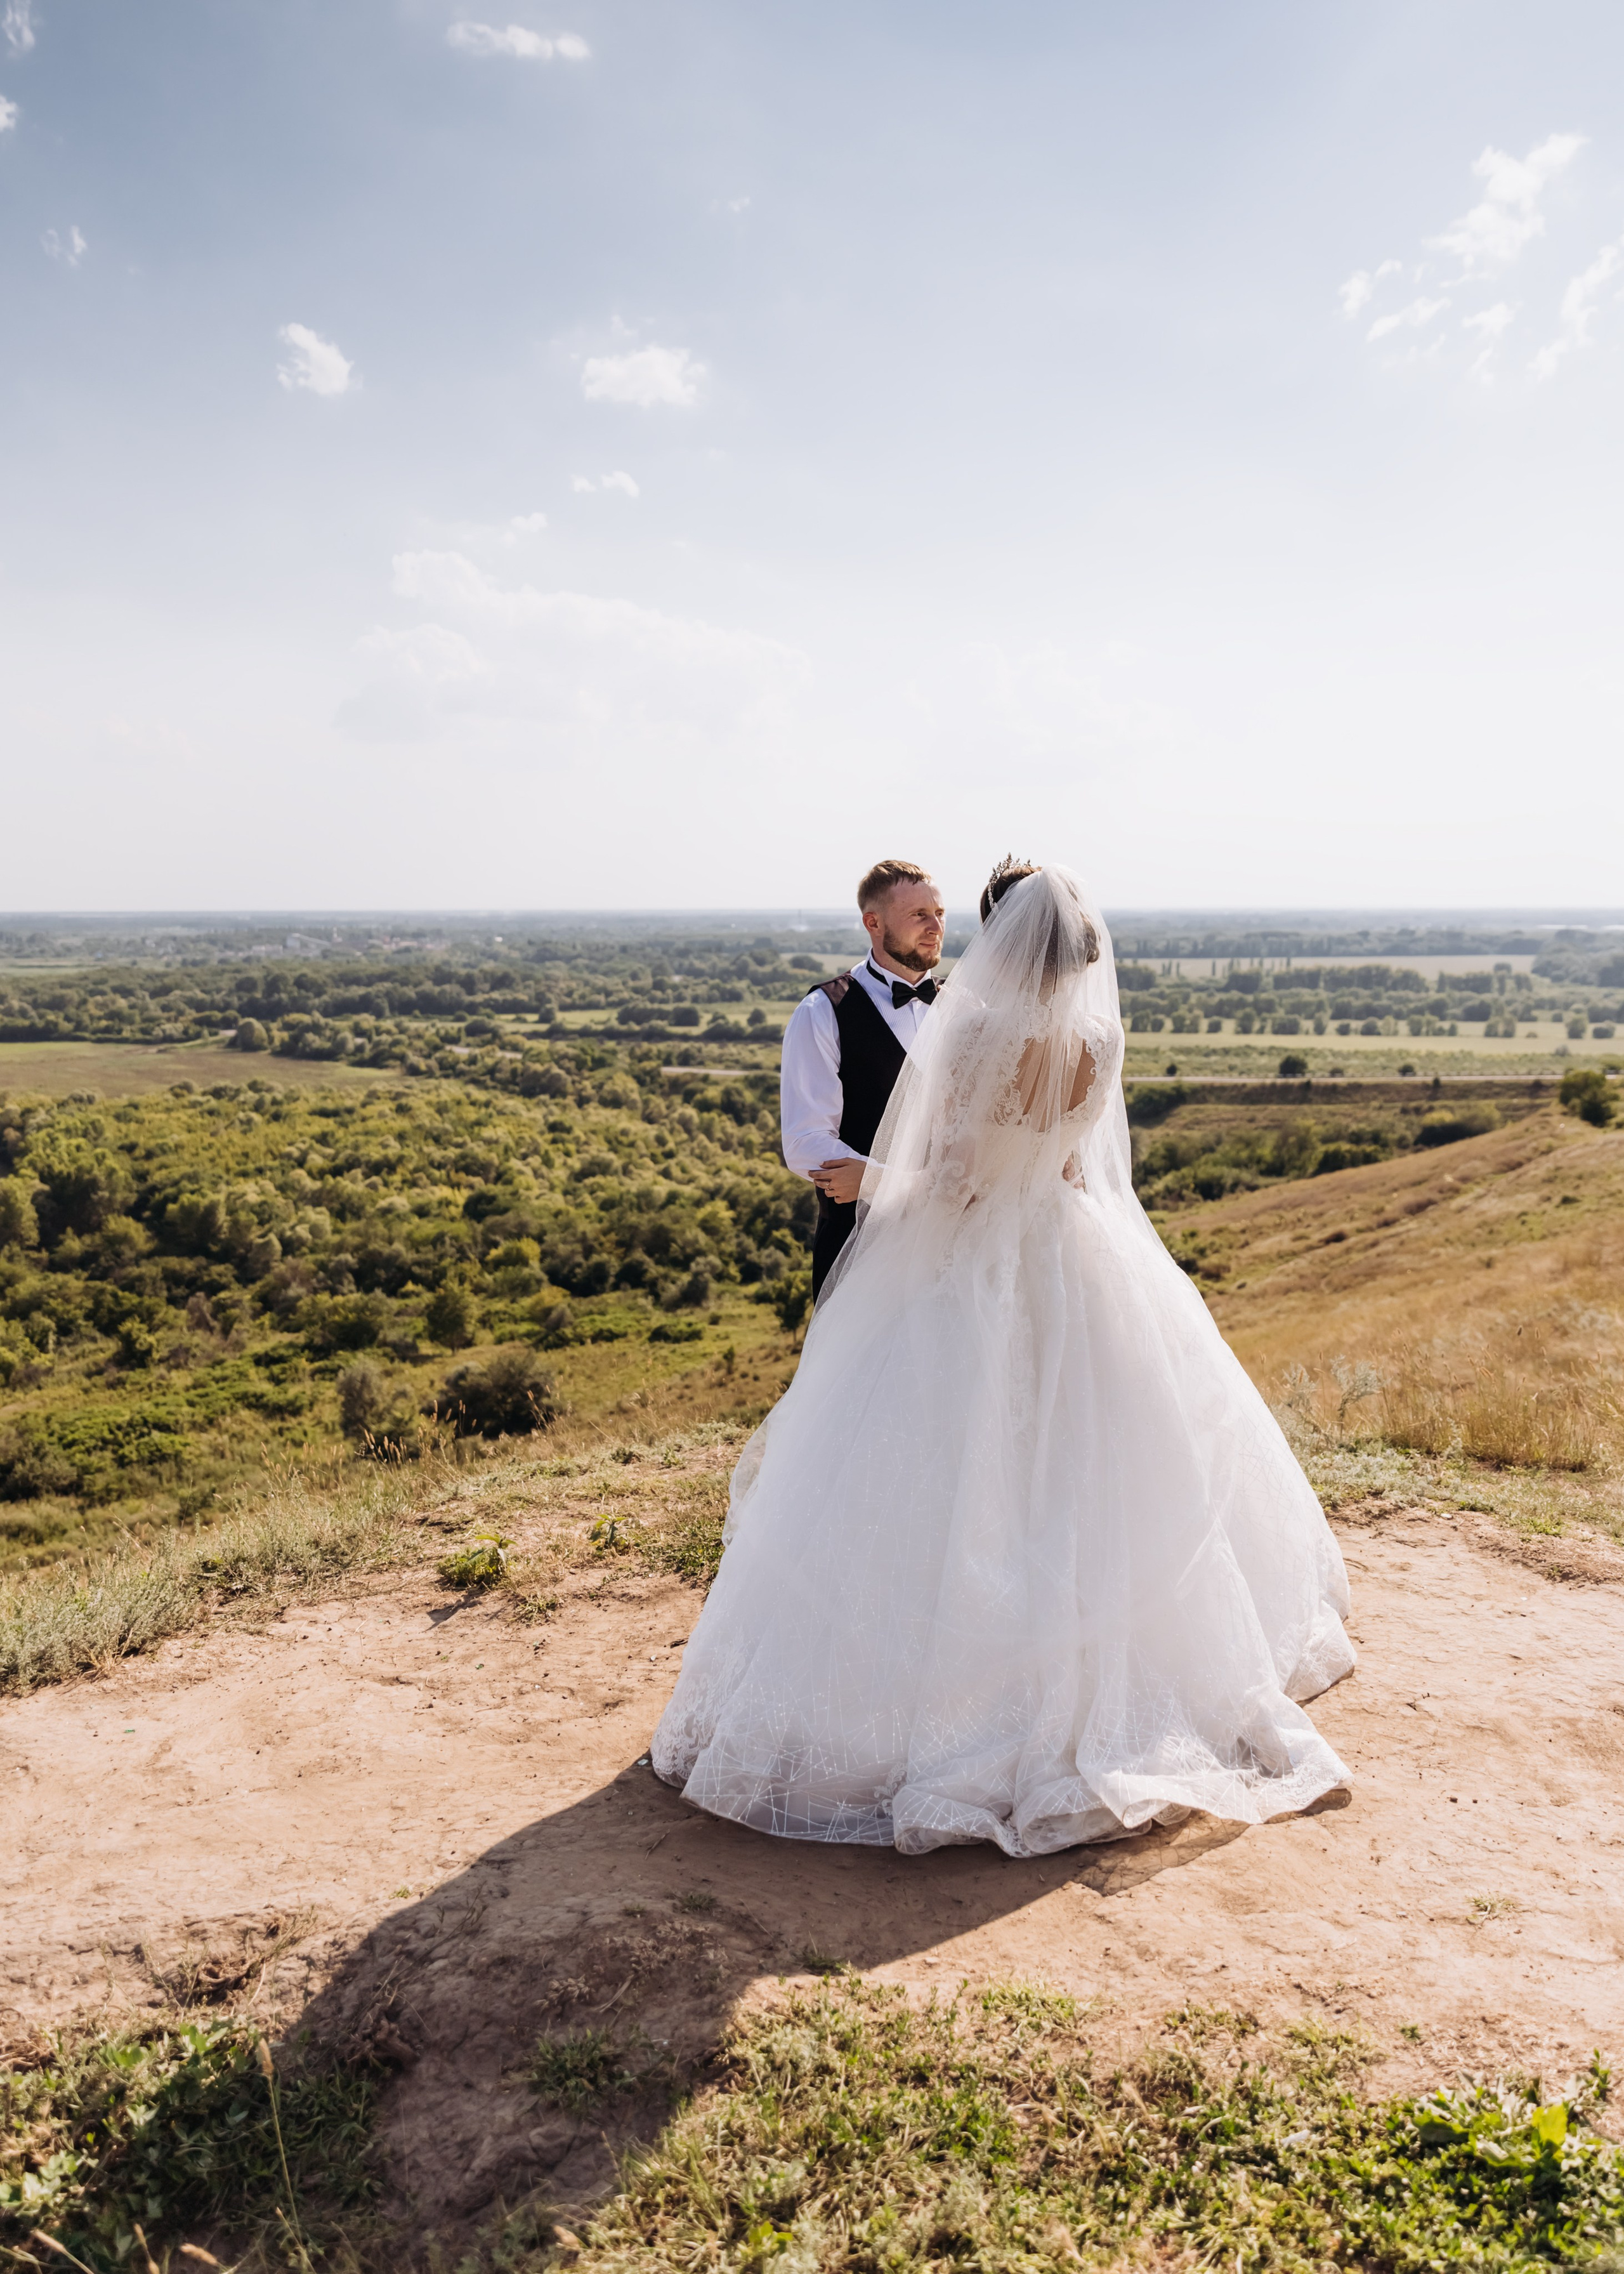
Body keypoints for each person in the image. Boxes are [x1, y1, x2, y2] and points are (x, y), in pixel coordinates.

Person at [652, 858, 1354, 1857]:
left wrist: (913, 1206)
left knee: (937, 1462)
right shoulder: (1100, 1039)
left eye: (954, 918)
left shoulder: (973, 1029)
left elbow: (958, 1175)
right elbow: (1072, 1160)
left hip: (973, 1257)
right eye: (922, 916)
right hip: (1071, 1250)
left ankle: (943, 1708)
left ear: (1005, 935)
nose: (945, 932)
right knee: (1086, 1460)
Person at [779, 858, 946, 1298]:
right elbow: (804, 1142)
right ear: (873, 922)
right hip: (858, 1250)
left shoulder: (966, 1008)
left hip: (952, 1247)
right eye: (919, 916)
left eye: (939, 914)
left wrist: (887, 1181)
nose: (935, 927)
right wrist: (883, 1180)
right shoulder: (822, 1012)